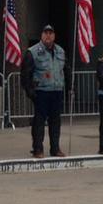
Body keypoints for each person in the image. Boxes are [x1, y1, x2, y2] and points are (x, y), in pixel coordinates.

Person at [21, 24, 71, 158]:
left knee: (56, 122)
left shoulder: (60, 51)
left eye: (51, 33)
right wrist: (30, 91)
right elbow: (25, 74)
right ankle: (38, 149)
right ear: (41, 35)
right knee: (39, 121)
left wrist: (70, 87)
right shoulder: (33, 52)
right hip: (41, 91)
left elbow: (66, 70)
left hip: (56, 91)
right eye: (46, 33)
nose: (48, 35)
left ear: (54, 36)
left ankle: (55, 149)